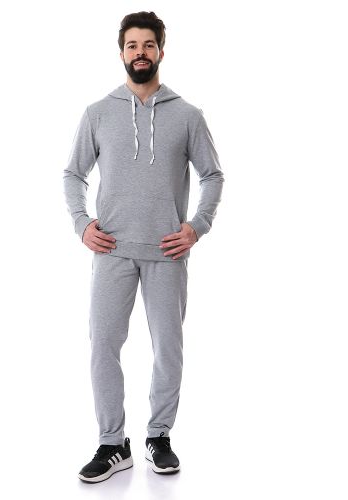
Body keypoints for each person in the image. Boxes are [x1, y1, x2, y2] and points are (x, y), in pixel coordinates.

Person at [63, 11, 224, 483]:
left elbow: (213, 175)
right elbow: (73, 174)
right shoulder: (98, 113)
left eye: (148, 45)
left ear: (160, 51)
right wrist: (81, 223)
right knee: (103, 346)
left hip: (167, 253)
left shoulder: (188, 115)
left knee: (168, 348)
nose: (140, 52)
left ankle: (159, 436)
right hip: (111, 250)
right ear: (121, 53)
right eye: (132, 45)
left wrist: (197, 226)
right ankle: (113, 443)